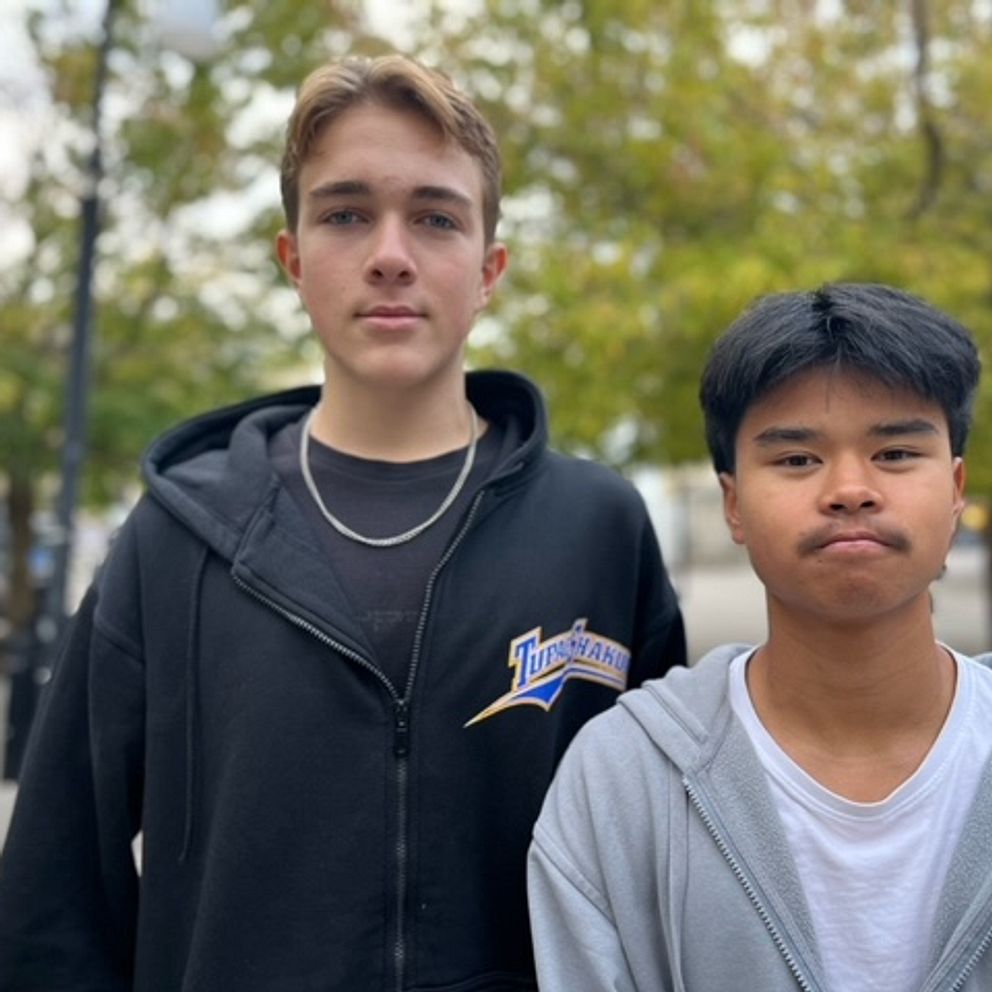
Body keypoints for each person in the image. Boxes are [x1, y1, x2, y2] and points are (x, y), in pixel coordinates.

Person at [0, 54, 686, 991]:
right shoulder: (174, 540)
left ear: (489, 270)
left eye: (436, 218)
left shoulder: (597, 530)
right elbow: (53, 890)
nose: (390, 254)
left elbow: (672, 858)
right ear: (293, 260)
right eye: (346, 214)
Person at [528, 282, 992, 991]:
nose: (850, 489)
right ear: (734, 503)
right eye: (797, 459)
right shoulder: (621, 780)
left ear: (956, 489)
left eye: (896, 453)